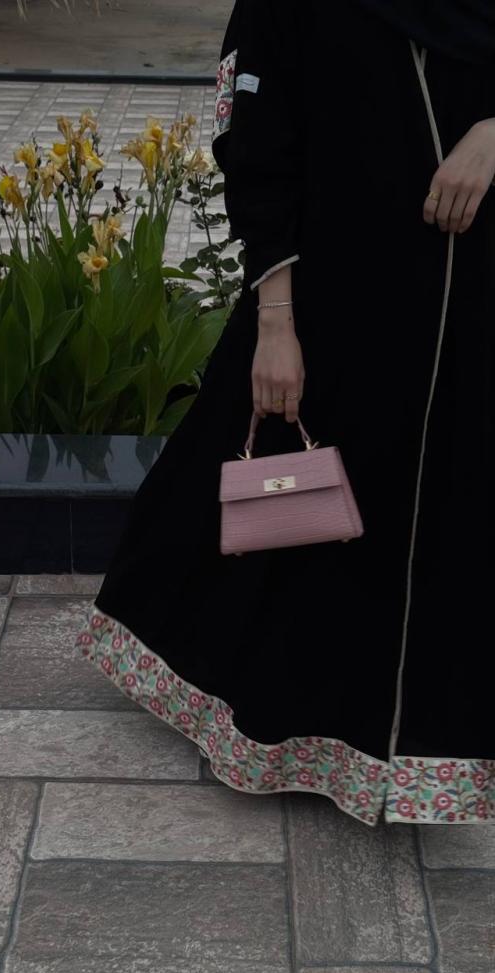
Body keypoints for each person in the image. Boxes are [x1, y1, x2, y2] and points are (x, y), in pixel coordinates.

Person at [75, 0, 495, 827]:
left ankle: (409, 754)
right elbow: (256, 148)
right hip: (334, 307)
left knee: (441, 528)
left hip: (466, 313)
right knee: (308, 522)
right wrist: (275, 324)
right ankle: (295, 736)